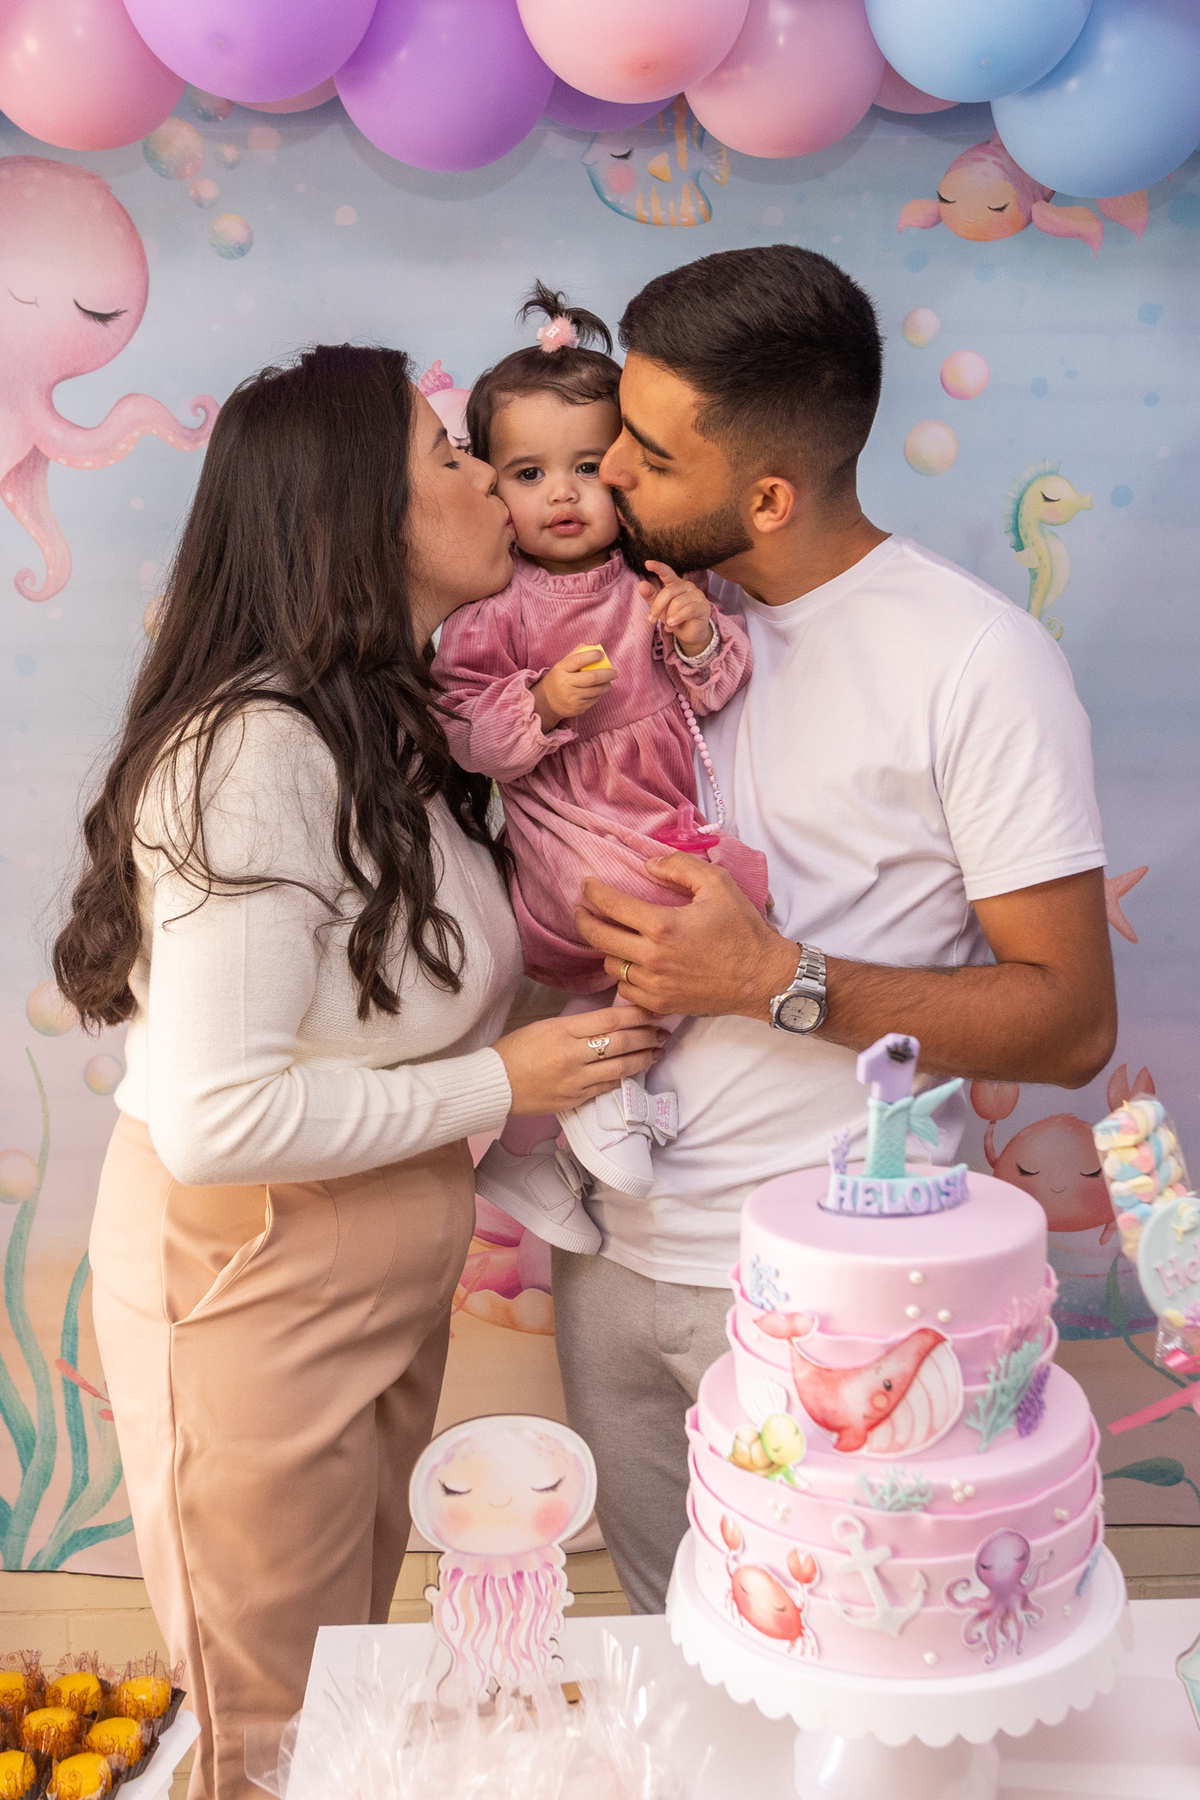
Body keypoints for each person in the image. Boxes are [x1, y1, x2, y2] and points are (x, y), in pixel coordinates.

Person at [51, 345, 662, 1800]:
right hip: (257, 1272)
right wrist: (507, 1083)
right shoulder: (254, 754)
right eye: (448, 455)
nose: (489, 477)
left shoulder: (390, 726)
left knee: (338, 1705)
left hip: (374, 1260)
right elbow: (220, 1121)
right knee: (266, 1735)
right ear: (353, 516)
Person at [546, 246, 1117, 1613]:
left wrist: (774, 978)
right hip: (607, 1258)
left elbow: (1071, 1021)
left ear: (768, 497)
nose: (607, 469)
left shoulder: (973, 663)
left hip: (830, 1291)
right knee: (673, 1647)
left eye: (649, 454)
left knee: (841, 1660)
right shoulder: (624, 615)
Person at [433, 284, 767, 1244]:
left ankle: (531, 1147)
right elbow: (465, 733)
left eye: (588, 468)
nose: (563, 494)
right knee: (666, 921)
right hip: (568, 828)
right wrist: (539, 705)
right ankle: (605, 1106)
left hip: (657, 814)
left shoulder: (653, 581)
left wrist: (698, 635)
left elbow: (715, 692)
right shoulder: (495, 607)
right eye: (529, 473)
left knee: (702, 925)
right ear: (490, 485)